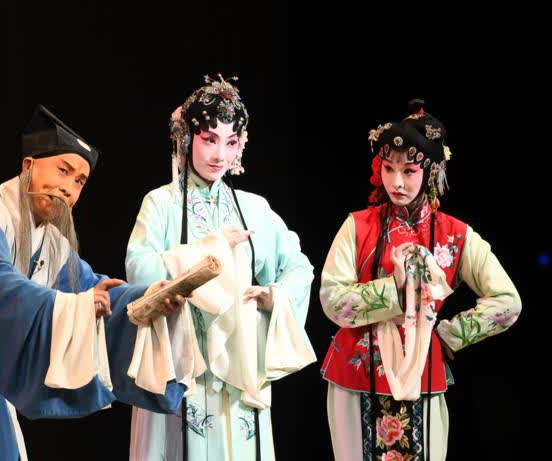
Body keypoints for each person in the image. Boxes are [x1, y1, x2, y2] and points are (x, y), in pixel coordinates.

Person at [0, 104, 186, 460]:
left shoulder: (51, 245)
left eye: (79, 181)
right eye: (63, 171)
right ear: (28, 166)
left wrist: (151, 299)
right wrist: (75, 305)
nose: (69, 188)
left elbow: (93, 291)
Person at [125, 75, 317, 460]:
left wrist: (274, 297)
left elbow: (299, 267)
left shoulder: (253, 209)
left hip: (239, 363)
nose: (219, 155)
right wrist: (207, 252)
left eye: (230, 143)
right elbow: (139, 270)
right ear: (187, 139)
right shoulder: (161, 204)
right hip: (181, 359)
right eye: (209, 139)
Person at [319, 100, 522, 460]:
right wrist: (397, 292)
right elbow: (332, 301)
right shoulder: (358, 226)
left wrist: (450, 336)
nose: (396, 182)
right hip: (356, 376)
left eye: (409, 171)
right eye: (388, 168)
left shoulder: (454, 235)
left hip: (423, 375)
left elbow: (507, 302)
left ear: (430, 172)